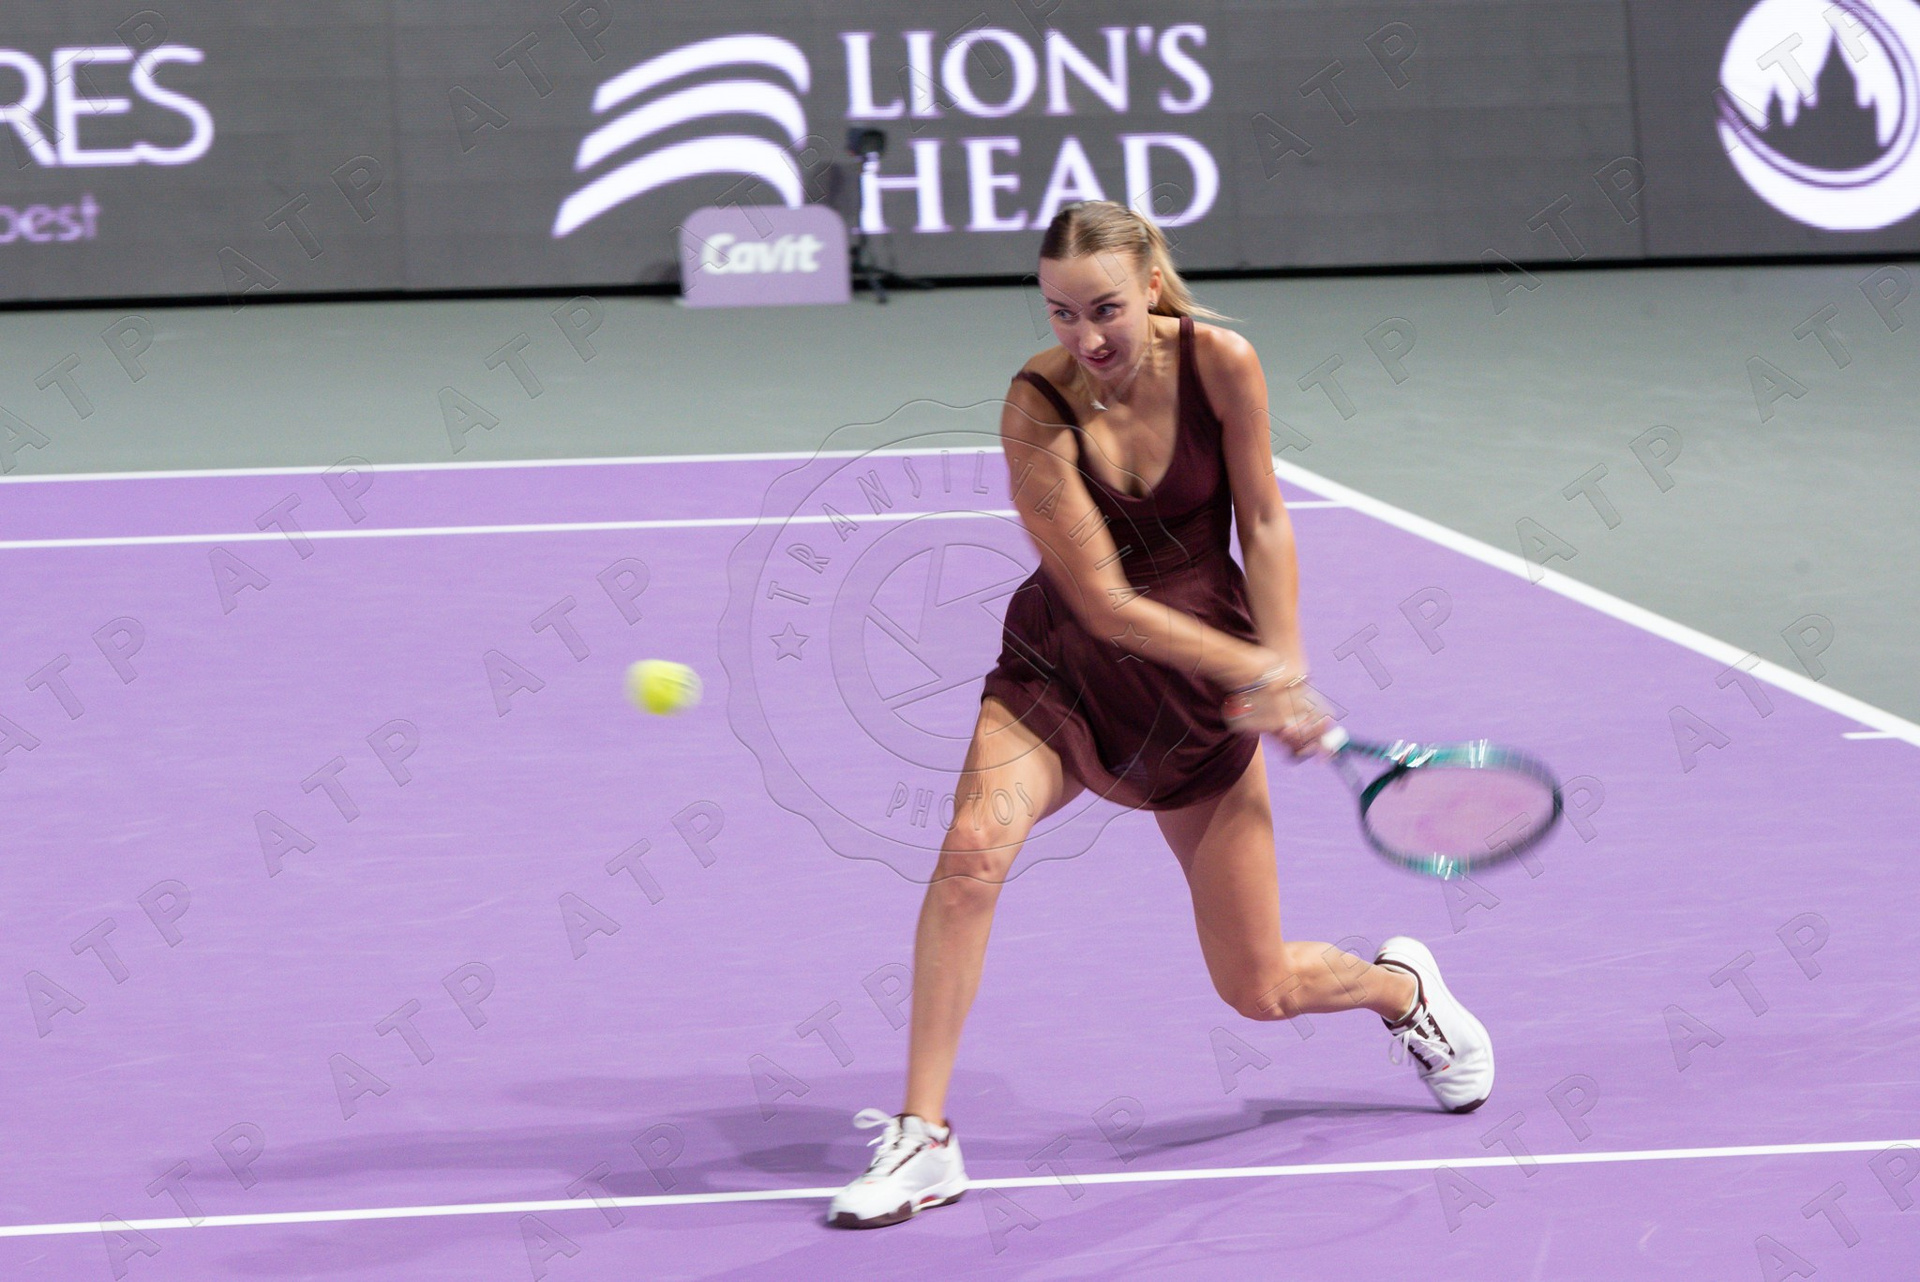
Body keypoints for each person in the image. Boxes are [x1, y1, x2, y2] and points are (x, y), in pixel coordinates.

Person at [826, 201, 1492, 1230]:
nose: (1085, 338)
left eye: (1104, 310)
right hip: (1063, 673)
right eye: (1060, 313)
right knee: (970, 853)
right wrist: (1252, 667)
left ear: (1149, 287)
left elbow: (1263, 518)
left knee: (1258, 989)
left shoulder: (1223, 364)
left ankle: (1399, 992)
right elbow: (1102, 602)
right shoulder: (1035, 406)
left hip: (1190, 709)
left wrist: (1285, 664)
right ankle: (925, 1138)